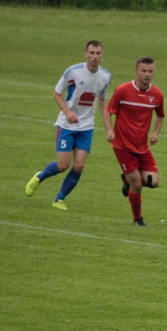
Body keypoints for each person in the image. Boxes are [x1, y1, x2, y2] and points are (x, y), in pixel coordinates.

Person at [25, 41, 112, 210]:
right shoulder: (73, 72)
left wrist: (108, 127)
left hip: (86, 127)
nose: (95, 57)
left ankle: (59, 199)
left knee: (79, 165)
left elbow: (102, 100)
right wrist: (67, 112)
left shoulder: (105, 77)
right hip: (66, 125)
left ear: (102, 55)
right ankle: (39, 177)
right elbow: (57, 93)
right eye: (92, 53)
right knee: (62, 166)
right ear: (85, 54)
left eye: (98, 53)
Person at [102, 56, 165, 226]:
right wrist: (109, 130)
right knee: (137, 184)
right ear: (136, 71)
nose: (147, 74)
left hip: (142, 146)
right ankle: (137, 219)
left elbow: (160, 115)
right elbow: (108, 110)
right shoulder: (123, 90)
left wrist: (156, 133)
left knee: (154, 182)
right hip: (122, 145)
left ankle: (126, 179)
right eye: (143, 71)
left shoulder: (157, 94)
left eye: (150, 71)